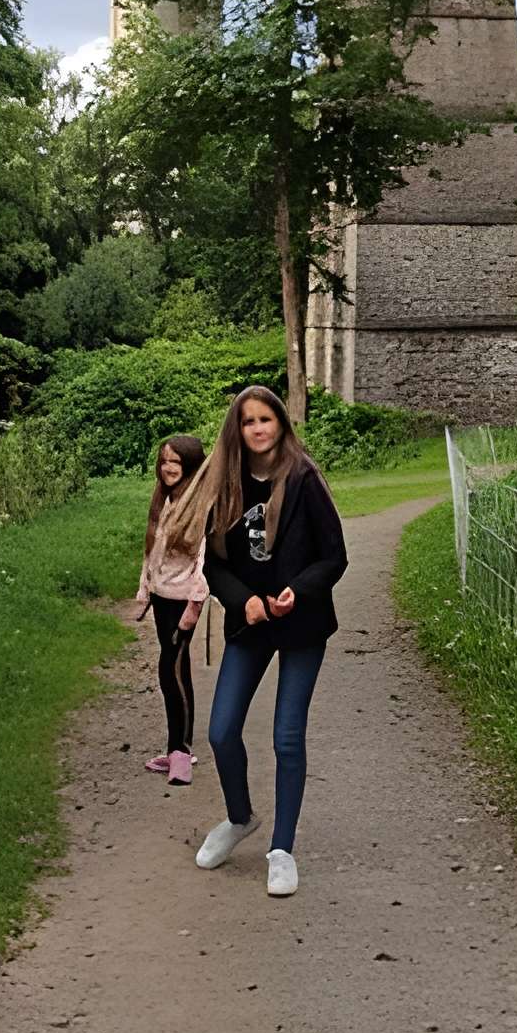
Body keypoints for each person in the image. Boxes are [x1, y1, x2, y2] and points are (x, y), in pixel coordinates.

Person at [184, 384, 348, 899]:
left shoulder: (304, 478)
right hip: (249, 623)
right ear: (238, 428)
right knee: (221, 730)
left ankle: (282, 850)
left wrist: (296, 592)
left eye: (265, 419)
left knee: (286, 737)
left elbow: (334, 556)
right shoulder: (226, 481)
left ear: (281, 423)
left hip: (300, 623)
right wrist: (244, 602)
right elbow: (215, 562)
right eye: (248, 421)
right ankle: (240, 818)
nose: (257, 429)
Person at [133, 432, 208, 784]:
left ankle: (179, 754)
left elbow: (205, 562)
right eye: (164, 461)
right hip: (163, 597)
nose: (168, 468)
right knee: (178, 670)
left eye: (175, 462)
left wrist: (194, 606)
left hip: (183, 603)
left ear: (190, 465)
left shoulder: (201, 505)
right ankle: (180, 748)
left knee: (170, 669)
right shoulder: (164, 500)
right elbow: (153, 552)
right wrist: (145, 589)